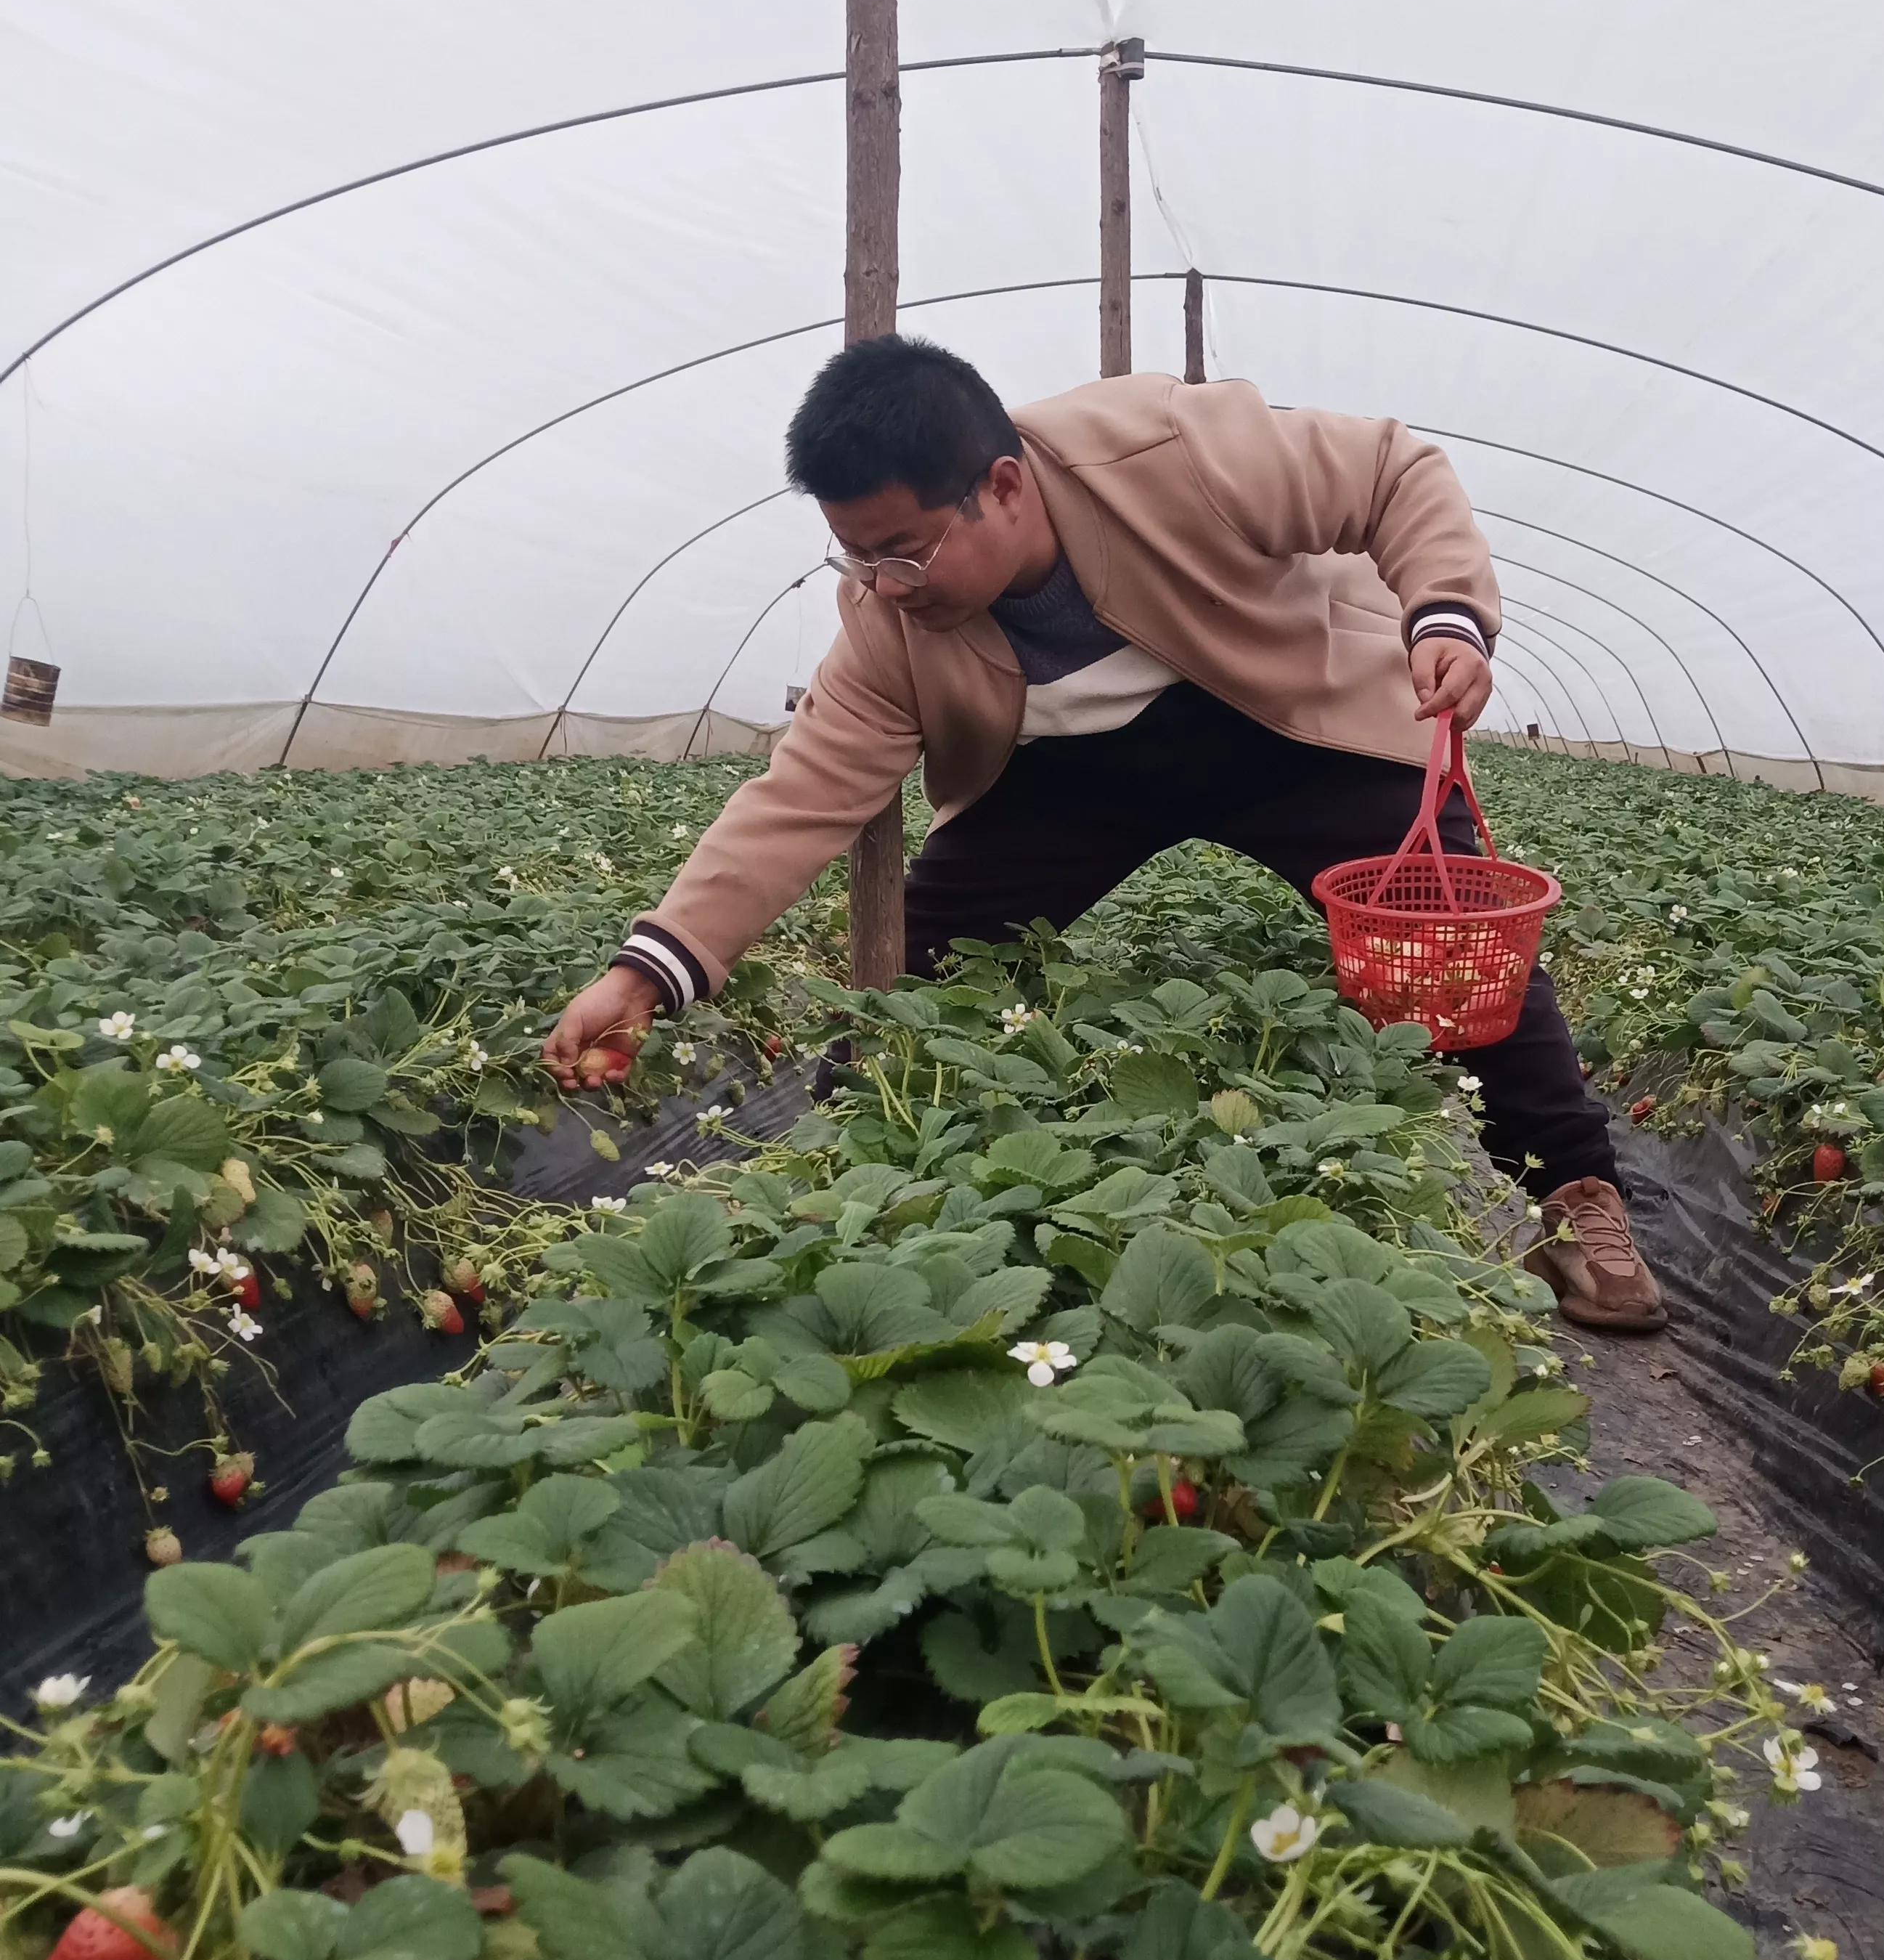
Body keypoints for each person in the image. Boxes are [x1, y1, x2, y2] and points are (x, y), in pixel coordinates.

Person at [544, 336, 1663, 1331]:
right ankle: (858, 1172)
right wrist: (648, 971)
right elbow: (802, 797)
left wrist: (1447, 614)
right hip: (1068, 776)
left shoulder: (1169, 451)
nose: (885, 587)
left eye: (904, 550)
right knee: (929, 960)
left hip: (1287, 720)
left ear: (1003, 486)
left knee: (1450, 935)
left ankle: (1577, 1195)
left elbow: (1389, 470)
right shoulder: (889, 624)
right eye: (857, 557)